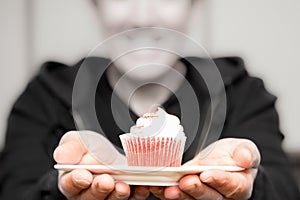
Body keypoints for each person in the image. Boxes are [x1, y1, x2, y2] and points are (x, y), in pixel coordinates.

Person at [0, 0, 299, 199]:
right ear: (95, 7)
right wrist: (59, 188)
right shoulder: (42, 99)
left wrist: (250, 186)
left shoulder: (244, 94)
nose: (143, 16)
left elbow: (284, 191)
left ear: (193, 8)